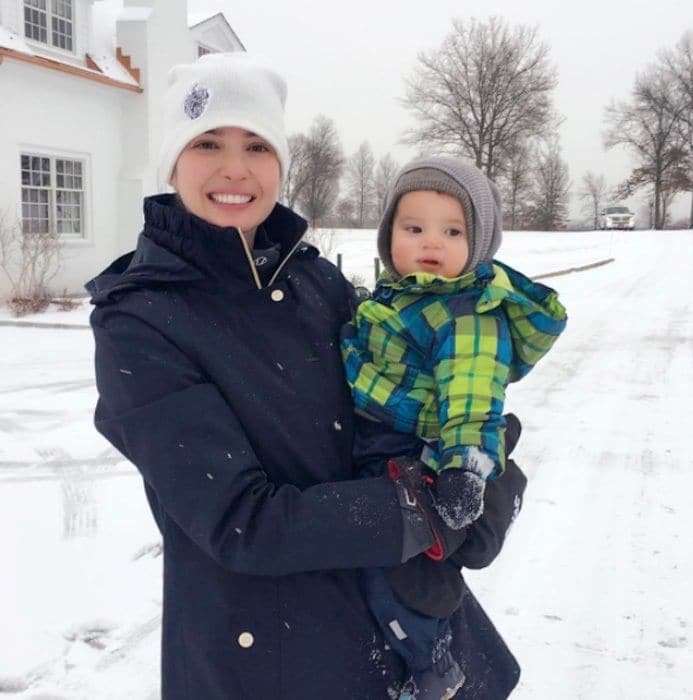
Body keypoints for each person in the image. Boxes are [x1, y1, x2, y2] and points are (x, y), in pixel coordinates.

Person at [86, 52, 525, 700]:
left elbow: (404, 397)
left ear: (279, 166)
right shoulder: (141, 322)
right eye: (208, 141)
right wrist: (423, 509)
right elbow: (243, 520)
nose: (235, 166)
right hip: (270, 661)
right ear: (173, 160)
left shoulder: (314, 281)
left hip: (397, 636)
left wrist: (484, 460)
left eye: (257, 145)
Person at [340, 156, 567, 699]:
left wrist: (466, 467)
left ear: (479, 244)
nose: (430, 244)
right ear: (388, 235)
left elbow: (473, 398)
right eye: (413, 228)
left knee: (393, 574)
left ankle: (432, 664)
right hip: (379, 439)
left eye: (451, 231)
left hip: (418, 452)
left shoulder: (467, 313)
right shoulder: (399, 298)